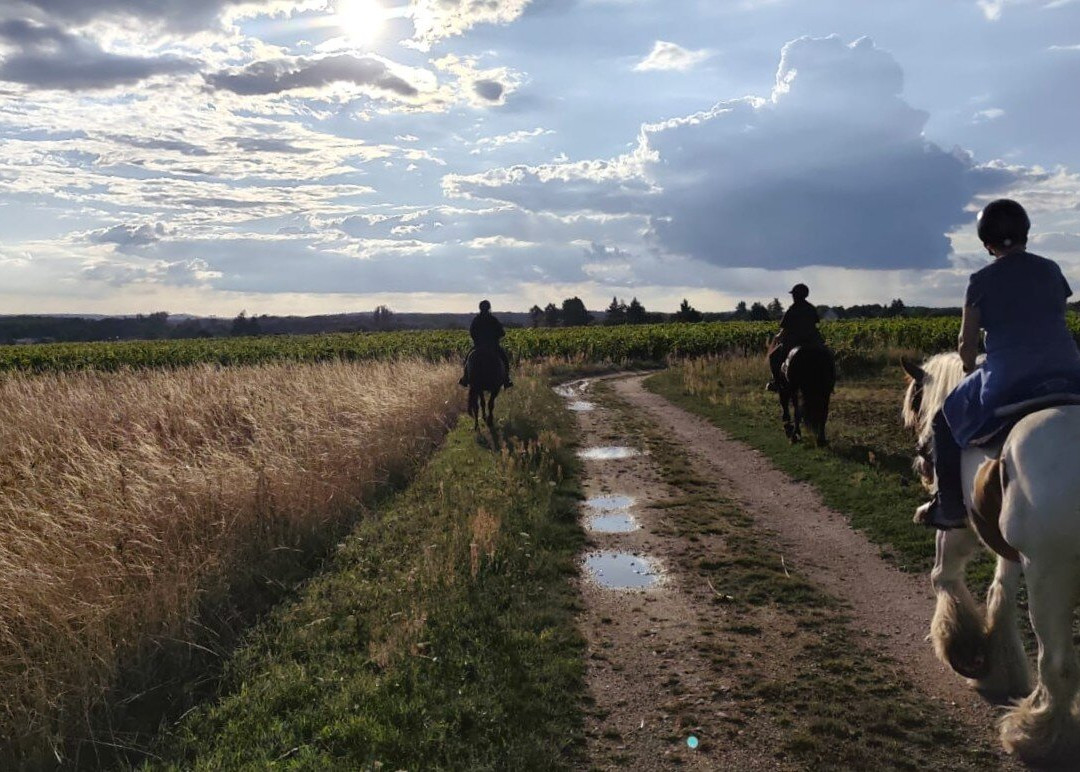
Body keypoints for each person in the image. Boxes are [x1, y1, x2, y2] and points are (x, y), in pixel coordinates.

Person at [916, 199, 1080, 529]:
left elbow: (967, 345)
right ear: (1026, 233)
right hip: (1069, 371)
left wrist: (967, 367)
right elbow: (1054, 314)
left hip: (1009, 378)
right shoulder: (1051, 269)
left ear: (985, 242)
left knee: (942, 421)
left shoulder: (981, 281)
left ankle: (949, 507)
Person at [766, 283, 825, 392]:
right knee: (826, 354)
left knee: (774, 356)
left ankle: (777, 382)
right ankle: (829, 379)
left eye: (794, 295)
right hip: (812, 340)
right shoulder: (811, 308)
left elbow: (785, 328)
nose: (793, 297)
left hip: (793, 341)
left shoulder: (792, 309)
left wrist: (778, 336)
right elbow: (815, 324)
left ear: (797, 296)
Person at [460, 300, 513, 388]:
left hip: (479, 346)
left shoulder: (476, 319)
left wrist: (477, 340)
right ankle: (506, 379)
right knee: (504, 359)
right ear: (489, 308)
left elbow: (472, 332)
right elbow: (502, 333)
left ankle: (465, 378)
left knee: (467, 359)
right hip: (493, 346)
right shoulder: (493, 319)